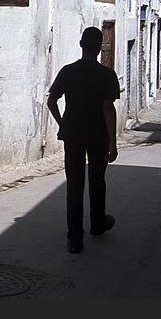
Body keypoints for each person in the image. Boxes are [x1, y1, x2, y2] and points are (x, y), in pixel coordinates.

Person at [47, 27, 121, 254]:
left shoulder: (68, 72)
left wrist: (63, 124)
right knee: (97, 181)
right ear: (100, 47)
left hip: (73, 135)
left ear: (81, 45)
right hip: (98, 135)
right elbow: (108, 108)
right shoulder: (107, 75)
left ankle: (75, 238)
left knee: (75, 185)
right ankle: (98, 224)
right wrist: (113, 143)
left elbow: (52, 102)